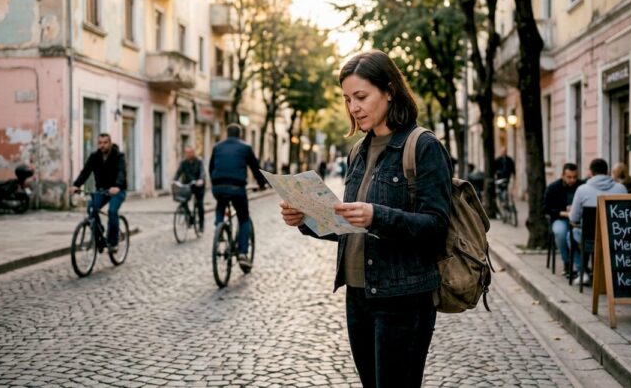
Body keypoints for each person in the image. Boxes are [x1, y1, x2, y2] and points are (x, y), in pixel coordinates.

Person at [280, 50, 452, 387]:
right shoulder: (358, 151)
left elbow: (436, 226)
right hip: (358, 296)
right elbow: (346, 228)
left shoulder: (423, 146)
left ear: (389, 90)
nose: (353, 107)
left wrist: (377, 216)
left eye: (361, 96)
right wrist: (305, 218)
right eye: (347, 99)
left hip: (403, 299)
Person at [209, 123, 267, 272]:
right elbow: (255, 168)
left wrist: (215, 183)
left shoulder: (217, 146)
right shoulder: (245, 147)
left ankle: (219, 226)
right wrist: (262, 184)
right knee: (243, 218)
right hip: (237, 187)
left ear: (226, 134)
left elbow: (211, 168)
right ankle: (242, 253)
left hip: (218, 186)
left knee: (220, 203)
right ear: (240, 134)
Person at [569, 158, 628, 285]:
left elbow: (573, 218)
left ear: (591, 172)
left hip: (590, 239)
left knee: (572, 235)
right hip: (616, 238)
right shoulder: (621, 189)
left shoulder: (582, 190)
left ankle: (582, 272)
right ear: (607, 171)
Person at [69, 133, 127, 252]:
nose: (102, 145)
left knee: (112, 211)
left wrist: (117, 186)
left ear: (110, 143)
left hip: (117, 190)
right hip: (102, 190)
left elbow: (121, 172)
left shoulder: (118, 156)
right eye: (100, 143)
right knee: (91, 207)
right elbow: (85, 172)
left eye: (105, 143)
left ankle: (113, 242)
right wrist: (76, 185)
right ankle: (99, 233)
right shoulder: (94, 157)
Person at [543, 163, 584, 277]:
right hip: (560, 219)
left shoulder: (582, 186)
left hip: (578, 220)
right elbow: (546, 208)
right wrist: (564, 213)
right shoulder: (553, 187)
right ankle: (567, 263)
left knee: (581, 234)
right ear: (563, 175)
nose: (572, 180)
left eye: (575, 177)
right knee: (561, 232)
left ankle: (582, 266)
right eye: (569, 177)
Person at [174, 145, 205, 232]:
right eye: (187, 153)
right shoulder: (184, 162)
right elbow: (178, 172)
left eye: (190, 152)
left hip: (198, 186)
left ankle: (201, 225)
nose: (188, 154)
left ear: (193, 153)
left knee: (200, 204)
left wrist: (201, 180)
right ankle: (189, 217)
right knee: (183, 200)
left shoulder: (199, 161)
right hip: (188, 185)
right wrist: (174, 181)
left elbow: (202, 172)